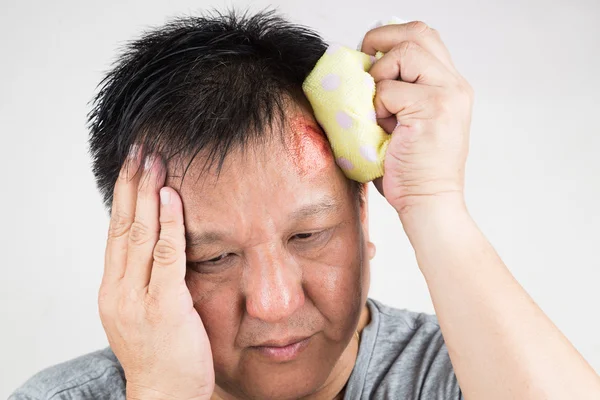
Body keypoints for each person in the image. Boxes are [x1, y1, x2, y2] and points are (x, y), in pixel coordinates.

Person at [10, 8, 600, 400]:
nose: (273, 304)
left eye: (309, 235)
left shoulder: (466, 375)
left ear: (363, 216)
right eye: (212, 258)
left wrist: (433, 201)